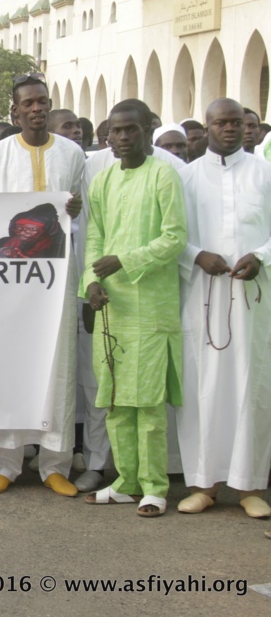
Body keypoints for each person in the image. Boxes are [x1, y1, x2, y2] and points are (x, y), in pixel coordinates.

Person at [0, 73, 84, 498]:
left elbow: (87, 216)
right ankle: (4, 461)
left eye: (43, 101)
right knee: (9, 363)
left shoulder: (74, 154)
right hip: (11, 281)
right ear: (15, 111)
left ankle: (55, 463)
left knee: (58, 366)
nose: (37, 109)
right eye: (28, 103)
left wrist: (74, 212)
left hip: (59, 279)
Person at [82, 99, 187, 518]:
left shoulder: (164, 174)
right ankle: (125, 480)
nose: (123, 138)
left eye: (131, 130)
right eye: (116, 131)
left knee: (147, 402)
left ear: (148, 130)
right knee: (113, 398)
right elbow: (94, 237)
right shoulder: (103, 181)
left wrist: (125, 261)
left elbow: (174, 237)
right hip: (112, 304)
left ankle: (155, 486)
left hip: (150, 305)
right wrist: (90, 282)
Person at [176, 98, 271, 520]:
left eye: (237, 122)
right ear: (208, 125)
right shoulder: (186, 177)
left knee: (251, 387)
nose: (230, 129)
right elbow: (170, 231)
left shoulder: (265, 172)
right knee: (203, 387)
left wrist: (262, 257)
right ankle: (203, 483)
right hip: (202, 296)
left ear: (248, 127)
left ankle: (249, 485)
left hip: (253, 299)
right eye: (221, 122)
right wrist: (196, 255)